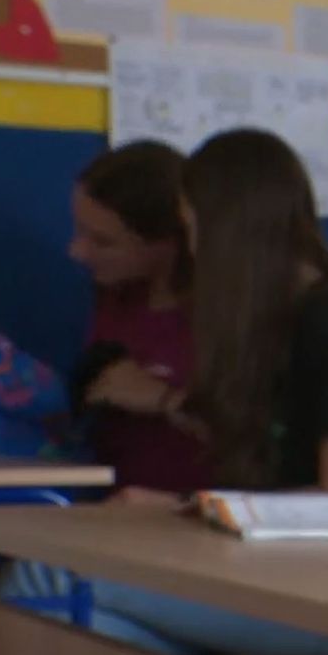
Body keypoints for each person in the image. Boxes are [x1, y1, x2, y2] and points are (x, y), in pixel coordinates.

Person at [0, 128, 328, 655]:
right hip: (280, 574)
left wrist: (184, 510)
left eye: (192, 228)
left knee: (48, 576)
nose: (192, 248)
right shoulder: (280, 325)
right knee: (78, 629)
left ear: (229, 233)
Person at [67, 141, 207, 497]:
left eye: (103, 242)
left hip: (185, 513)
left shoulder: (224, 316)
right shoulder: (116, 294)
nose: (77, 252)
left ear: (168, 243)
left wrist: (163, 399)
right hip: (111, 505)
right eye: (79, 230)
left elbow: (262, 441)